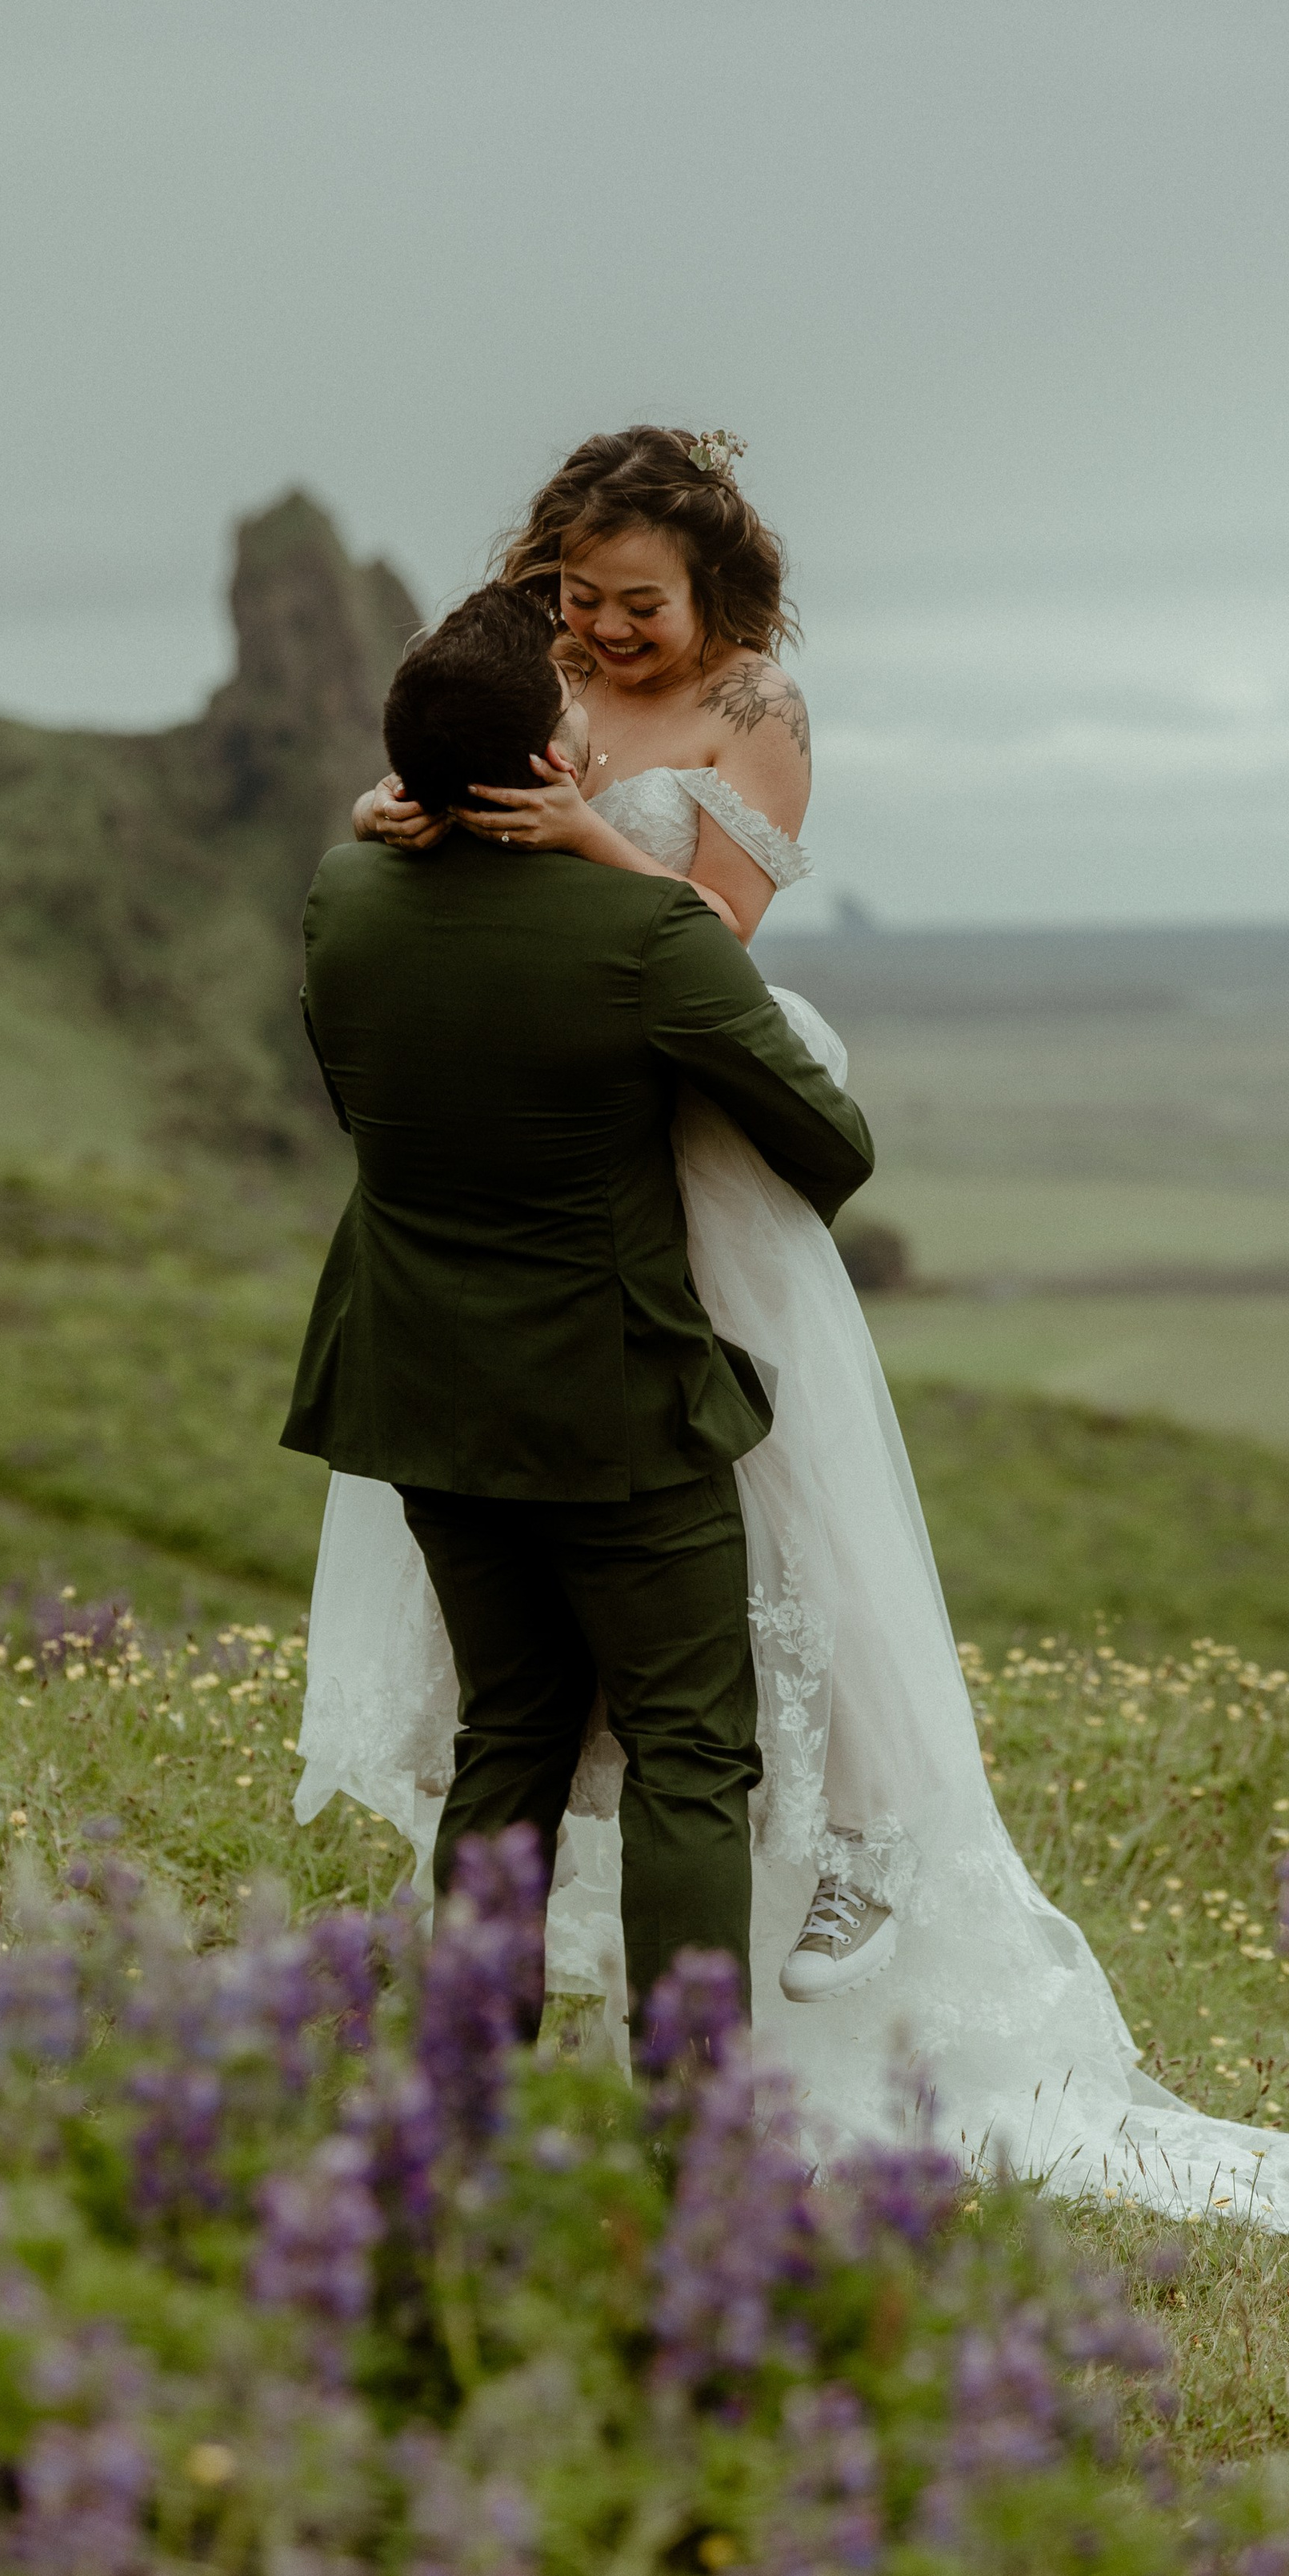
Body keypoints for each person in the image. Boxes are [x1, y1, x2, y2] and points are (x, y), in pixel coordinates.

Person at [299, 427, 1289, 2231]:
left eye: (640, 609)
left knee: (773, 1552)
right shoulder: (503, 720)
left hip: (663, 1135)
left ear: (715, 603)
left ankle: (830, 1859)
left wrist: (559, 859)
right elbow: (512, 851)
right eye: (581, 603)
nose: (606, 637)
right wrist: (439, 815)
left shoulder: (751, 716)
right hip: (587, 1179)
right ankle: (680, 2114)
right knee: (622, 1691)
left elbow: (722, 944)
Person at [281, 577, 875, 2028]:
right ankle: (691, 2130)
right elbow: (829, 1147)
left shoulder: (344, 895)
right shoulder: (644, 938)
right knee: (688, 1751)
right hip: (616, 1406)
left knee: (511, 1727)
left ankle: (466, 2082)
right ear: (550, 760)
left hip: (420, 1389)